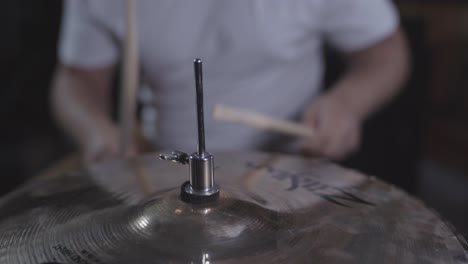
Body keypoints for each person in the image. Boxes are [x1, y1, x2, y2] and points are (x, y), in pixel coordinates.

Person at [52, 0, 409, 164]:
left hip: (288, 172)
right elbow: (76, 79)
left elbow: (388, 53)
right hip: (161, 173)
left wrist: (347, 103)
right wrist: (96, 130)